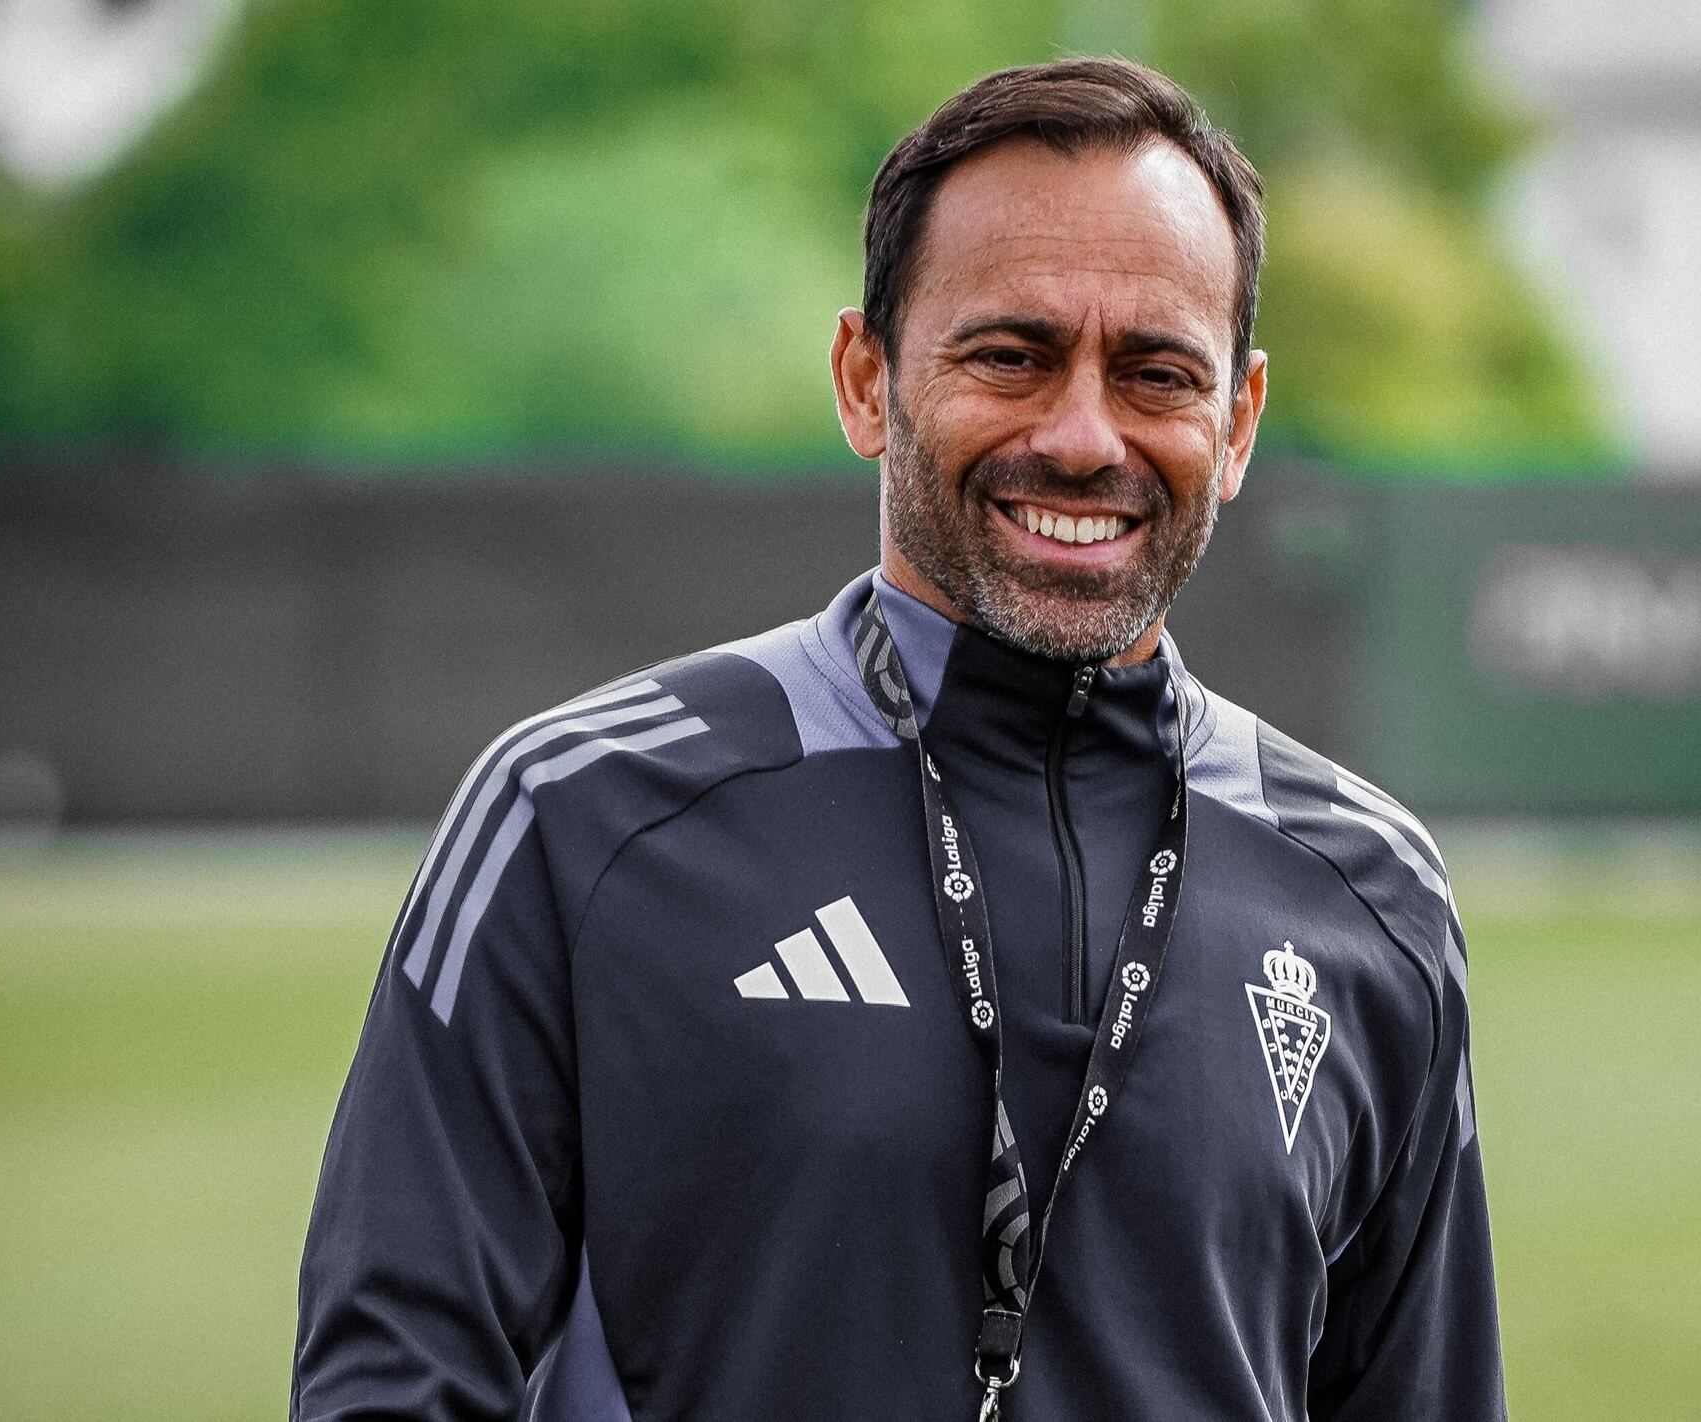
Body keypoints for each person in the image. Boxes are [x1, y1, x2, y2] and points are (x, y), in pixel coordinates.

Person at [294, 57, 1499, 1422]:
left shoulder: (1372, 897)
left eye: (1159, 373)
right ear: (867, 380)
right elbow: (393, 1385)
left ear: (1238, 424)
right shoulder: (580, 820)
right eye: (1012, 355)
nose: (1085, 434)